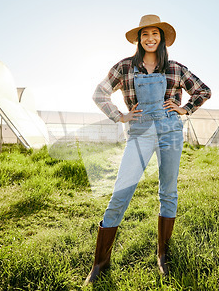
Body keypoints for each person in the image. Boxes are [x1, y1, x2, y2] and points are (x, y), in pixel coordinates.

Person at [85, 14, 211, 284]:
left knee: (168, 191)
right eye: (145, 34)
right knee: (121, 192)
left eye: (155, 34)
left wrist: (185, 108)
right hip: (139, 133)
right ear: (139, 39)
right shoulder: (125, 67)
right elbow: (99, 93)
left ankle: (162, 256)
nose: (150, 38)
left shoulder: (175, 68)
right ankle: (99, 264)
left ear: (162, 39)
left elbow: (203, 91)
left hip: (170, 133)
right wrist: (120, 116)